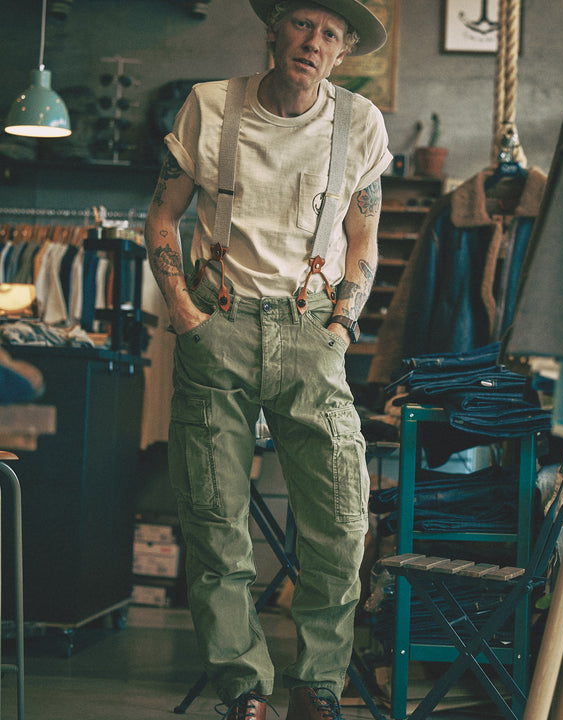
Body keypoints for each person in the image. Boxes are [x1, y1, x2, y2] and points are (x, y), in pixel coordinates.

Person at [143, 1, 392, 719]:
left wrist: (342, 326)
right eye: (303, 24)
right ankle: (244, 690)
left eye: (330, 34)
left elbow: (363, 237)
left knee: (341, 522)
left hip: (311, 331)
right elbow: (162, 214)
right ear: (275, 28)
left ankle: (317, 688)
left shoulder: (360, 122)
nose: (313, 42)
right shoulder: (210, 104)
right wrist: (185, 316)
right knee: (214, 522)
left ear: (343, 52)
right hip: (215, 325)